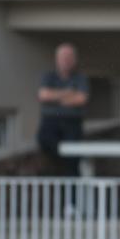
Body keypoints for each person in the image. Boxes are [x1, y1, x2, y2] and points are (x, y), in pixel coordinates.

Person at [36, 43, 89, 176]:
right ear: (57, 59)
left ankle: (73, 194)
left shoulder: (80, 78)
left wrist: (54, 97)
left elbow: (81, 99)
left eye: (69, 57)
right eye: (63, 57)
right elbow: (43, 95)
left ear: (74, 60)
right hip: (50, 122)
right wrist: (68, 93)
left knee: (72, 158)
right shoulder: (48, 76)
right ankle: (63, 160)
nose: (66, 60)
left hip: (72, 122)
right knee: (44, 140)